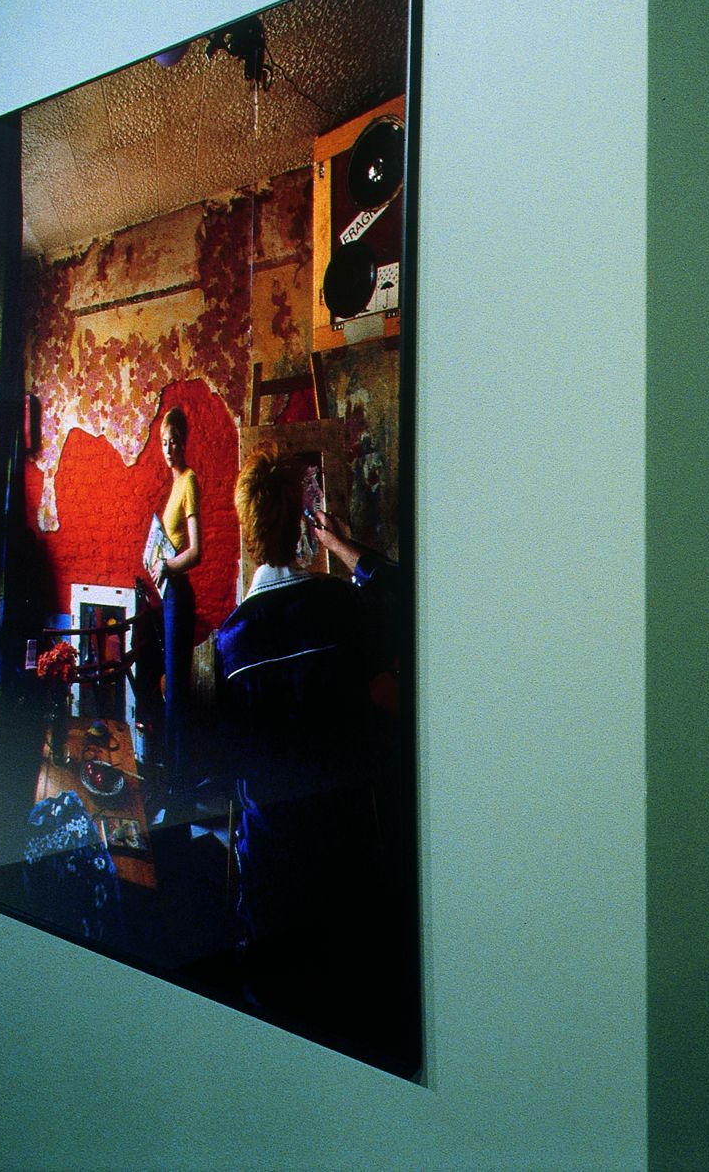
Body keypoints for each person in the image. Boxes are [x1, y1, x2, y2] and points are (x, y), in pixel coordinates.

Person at [211, 449, 413, 1067]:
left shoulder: (230, 642)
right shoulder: (341, 608)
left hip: (272, 878)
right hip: (349, 862)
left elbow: (229, 766)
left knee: (281, 1037)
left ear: (248, 530)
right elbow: (401, 601)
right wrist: (343, 547)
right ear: (302, 523)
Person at [149, 405, 201, 820]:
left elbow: (196, 552)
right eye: (164, 443)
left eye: (175, 441)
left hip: (179, 597)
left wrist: (165, 565)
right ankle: (173, 788)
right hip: (170, 596)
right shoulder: (173, 484)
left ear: (185, 441)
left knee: (177, 694)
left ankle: (178, 795)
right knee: (172, 691)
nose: (169, 448)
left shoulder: (190, 481)